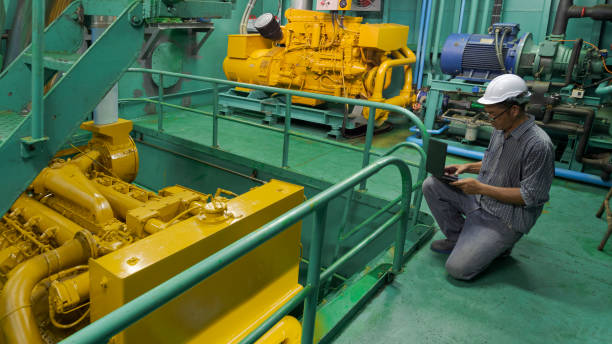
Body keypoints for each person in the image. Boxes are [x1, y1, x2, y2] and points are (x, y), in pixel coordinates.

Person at [422, 74, 555, 280]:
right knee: (432, 184)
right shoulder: (501, 128)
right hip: (482, 200)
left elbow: (531, 196)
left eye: (493, 115)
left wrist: (481, 188)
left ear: (514, 110)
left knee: (458, 269)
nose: (489, 120)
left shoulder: (538, 145)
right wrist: (466, 167)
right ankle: (460, 238)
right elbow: (494, 163)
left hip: (506, 218)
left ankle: (498, 247)